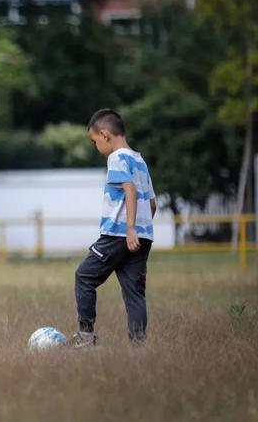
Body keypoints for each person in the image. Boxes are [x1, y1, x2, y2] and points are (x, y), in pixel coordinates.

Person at [72, 108, 157, 347]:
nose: (95, 146)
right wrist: (140, 233)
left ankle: (85, 336)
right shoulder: (139, 160)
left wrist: (129, 228)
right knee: (135, 293)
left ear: (105, 134)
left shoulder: (117, 158)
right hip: (141, 237)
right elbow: (152, 203)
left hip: (118, 234)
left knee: (84, 276)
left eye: (94, 141)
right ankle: (138, 346)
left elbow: (129, 190)